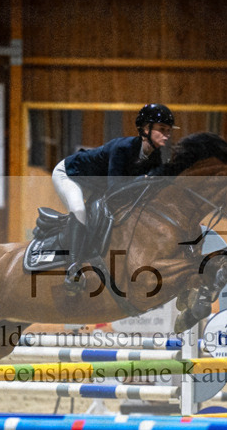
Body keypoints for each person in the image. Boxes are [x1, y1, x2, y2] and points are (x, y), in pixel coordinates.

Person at [51, 103, 177, 294]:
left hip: (96, 185)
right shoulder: (123, 148)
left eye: (168, 130)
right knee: (79, 211)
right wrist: (144, 179)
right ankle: (73, 268)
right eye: (161, 129)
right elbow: (115, 189)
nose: (166, 134)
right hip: (70, 175)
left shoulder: (155, 156)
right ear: (145, 129)